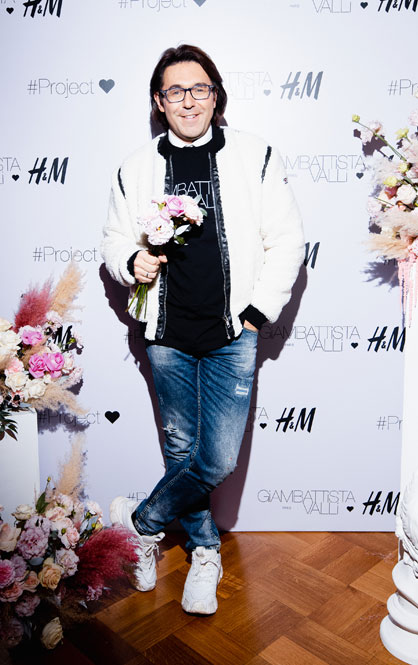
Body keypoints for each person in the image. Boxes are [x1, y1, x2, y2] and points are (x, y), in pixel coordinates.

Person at [101, 44, 304, 615]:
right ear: (158, 102)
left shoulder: (255, 155)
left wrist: (257, 312)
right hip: (165, 333)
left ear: (216, 97)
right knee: (180, 448)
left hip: (232, 334)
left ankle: (141, 523)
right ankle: (205, 552)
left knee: (216, 460)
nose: (188, 101)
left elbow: (287, 239)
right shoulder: (135, 167)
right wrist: (131, 262)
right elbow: (114, 239)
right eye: (176, 91)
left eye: (199, 89)